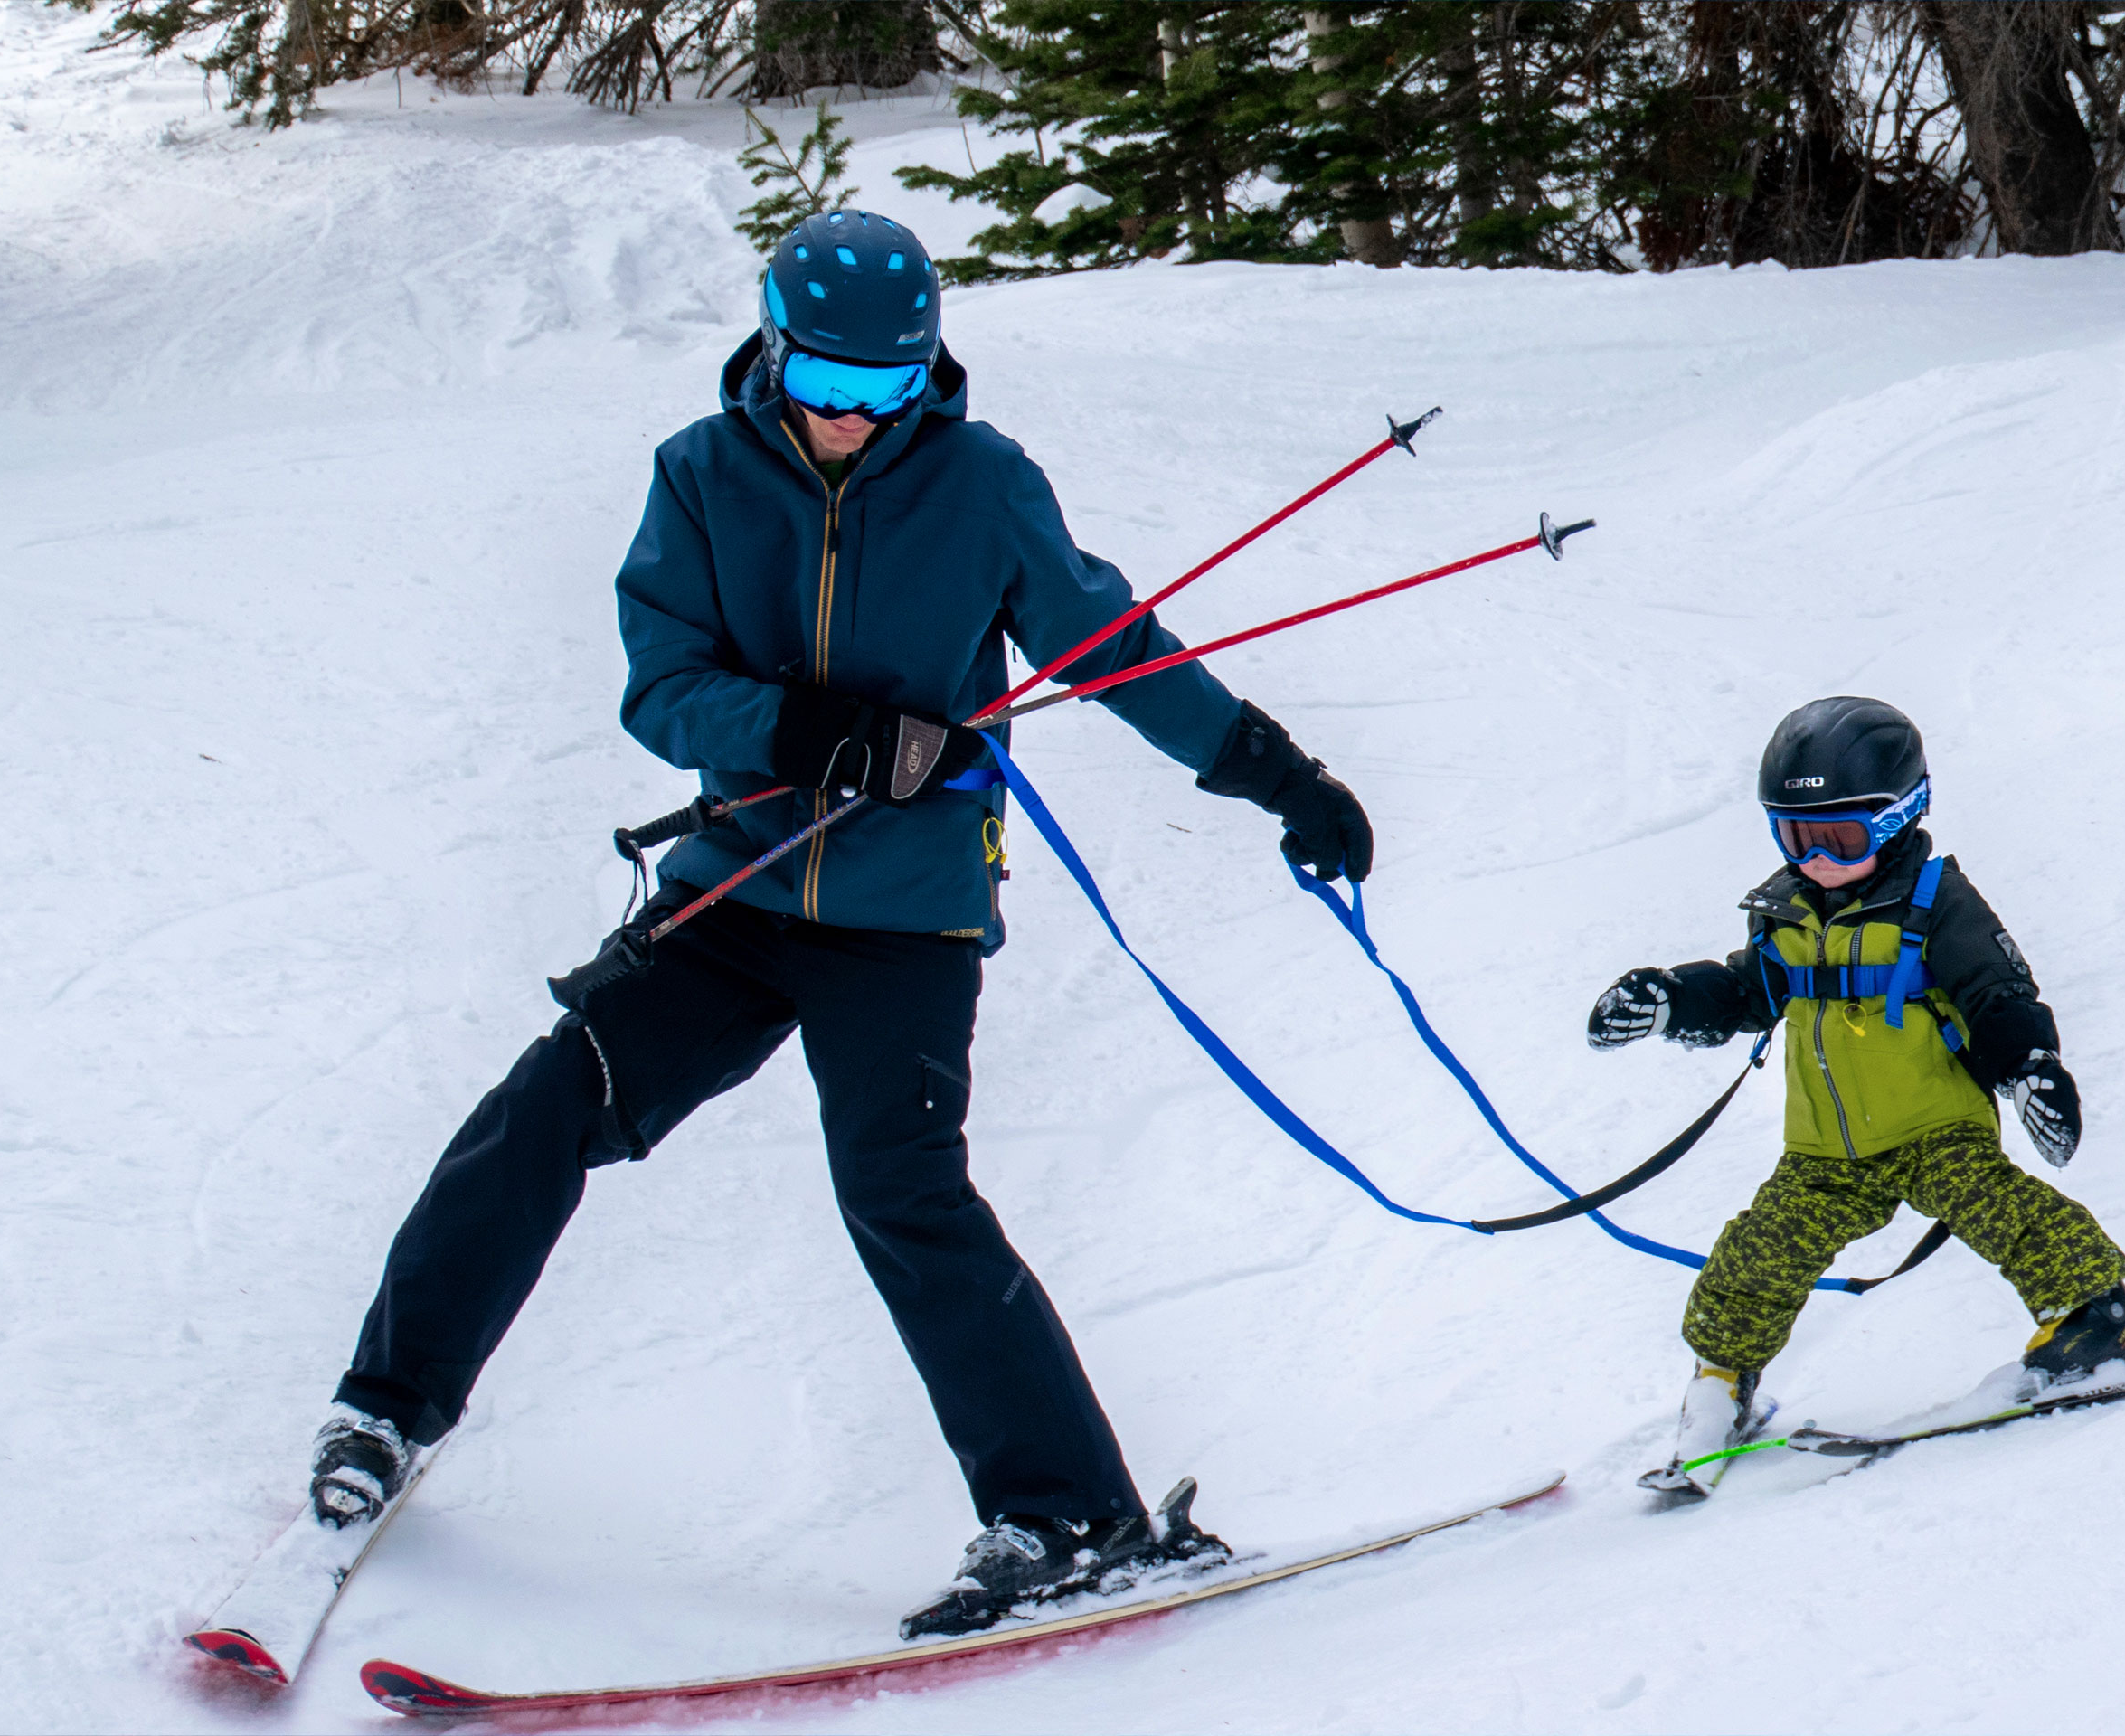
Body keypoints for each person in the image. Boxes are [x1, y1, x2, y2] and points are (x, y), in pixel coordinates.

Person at [305, 211, 1373, 1637]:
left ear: (928, 373)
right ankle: (382, 1414)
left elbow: (1113, 646)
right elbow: (661, 683)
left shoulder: (983, 486)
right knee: (547, 1108)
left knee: (903, 1191)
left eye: (885, 391)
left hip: (907, 915)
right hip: (740, 885)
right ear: (770, 348)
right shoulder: (698, 475)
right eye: (824, 383)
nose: (848, 419)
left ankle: (1071, 1519)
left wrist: (1277, 776)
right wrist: (805, 731)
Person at [1587, 696, 2125, 1501]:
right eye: (1794, 835)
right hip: (1824, 1155)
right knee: (1753, 1260)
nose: (1813, 857)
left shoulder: (1937, 900)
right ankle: (1722, 1383)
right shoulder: (1784, 912)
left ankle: (2096, 1319)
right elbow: (1750, 990)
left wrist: (2029, 1067)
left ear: (1901, 815)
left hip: (1934, 1128)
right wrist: (1672, 999)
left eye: (1839, 837)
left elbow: (1997, 991)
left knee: (2006, 1211)